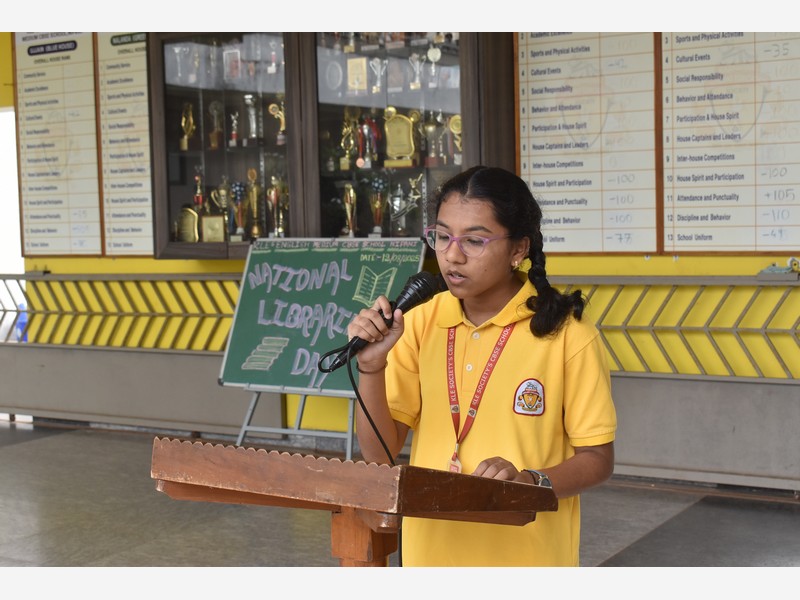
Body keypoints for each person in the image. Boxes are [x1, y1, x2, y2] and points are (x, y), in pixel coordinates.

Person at [346, 165, 617, 566]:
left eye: (474, 240)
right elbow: (380, 455)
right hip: (430, 555)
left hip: (529, 560)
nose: (452, 255)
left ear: (518, 249)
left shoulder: (567, 334)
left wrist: (531, 482)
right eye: (442, 236)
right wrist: (371, 368)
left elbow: (597, 459)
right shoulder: (419, 320)